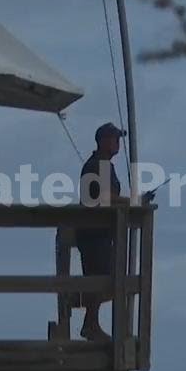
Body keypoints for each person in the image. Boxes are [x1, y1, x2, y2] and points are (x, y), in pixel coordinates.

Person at [73, 122, 130, 341]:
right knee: (98, 278)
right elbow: (104, 198)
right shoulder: (96, 164)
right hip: (93, 232)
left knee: (103, 278)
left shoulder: (105, 165)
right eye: (115, 138)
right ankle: (90, 324)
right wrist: (131, 201)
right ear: (104, 140)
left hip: (101, 232)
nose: (118, 143)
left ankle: (91, 323)